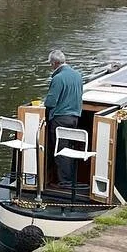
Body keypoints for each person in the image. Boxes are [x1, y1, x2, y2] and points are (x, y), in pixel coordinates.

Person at [44, 47, 85, 189]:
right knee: (71, 148)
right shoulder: (78, 75)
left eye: (50, 65)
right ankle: (73, 179)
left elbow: (50, 102)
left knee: (61, 150)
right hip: (75, 118)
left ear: (54, 64)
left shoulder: (58, 78)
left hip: (60, 119)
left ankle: (65, 182)